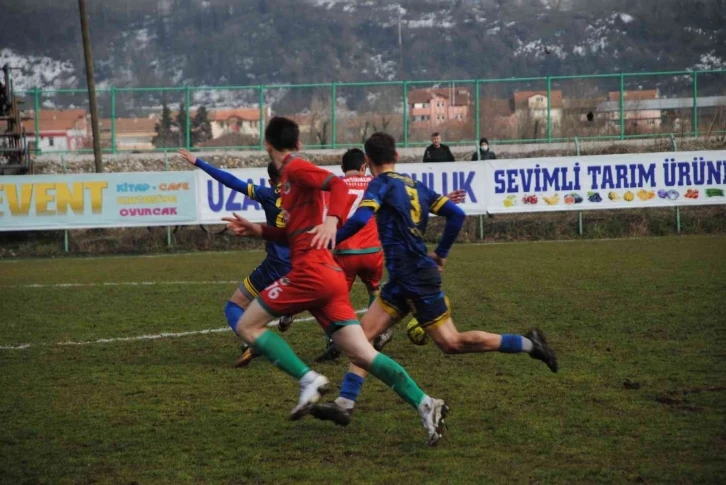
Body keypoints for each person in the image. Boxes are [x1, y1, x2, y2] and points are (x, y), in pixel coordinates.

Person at [222, 117, 449, 446]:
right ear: (298, 142)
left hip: (310, 272)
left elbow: (339, 186)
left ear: (266, 145)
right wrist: (259, 230)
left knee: (247, 325)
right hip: (328, 277)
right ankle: (427, 403)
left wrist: (332, 220)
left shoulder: (295, 167)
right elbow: (294, 231)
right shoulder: (290, 177)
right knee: (362, 354)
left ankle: (308, 380)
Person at [311, 132, 558, 427]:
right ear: (397, 157)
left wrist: (330, 238)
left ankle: (529, 343)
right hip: (402, 278)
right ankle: (344, 403)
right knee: (362, 337)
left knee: (451, 343)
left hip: (416, 279)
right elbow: (455, 215)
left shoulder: (381, 184)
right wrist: (440, 254)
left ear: (368, 161)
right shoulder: (415, 185)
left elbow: (361, 219)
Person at [314, 148, 468, 363]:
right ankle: (381, 331)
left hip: (345, 251)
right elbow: (405, 205)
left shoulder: (335, 186)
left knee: (337, 299)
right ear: (363, 167)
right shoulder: (376, 183)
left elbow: (325, 216)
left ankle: (336, 341)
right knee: (374, 290)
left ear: (342, 168)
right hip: (373, 252)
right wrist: (444, 200)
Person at [178, 149, 295, 368]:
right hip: (304, 263)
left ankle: (253, 341)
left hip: (275, 267)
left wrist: (200, 163)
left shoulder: (267, 194)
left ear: (271, 180)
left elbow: (231, 181)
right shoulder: (305, 194)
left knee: (233, 306)